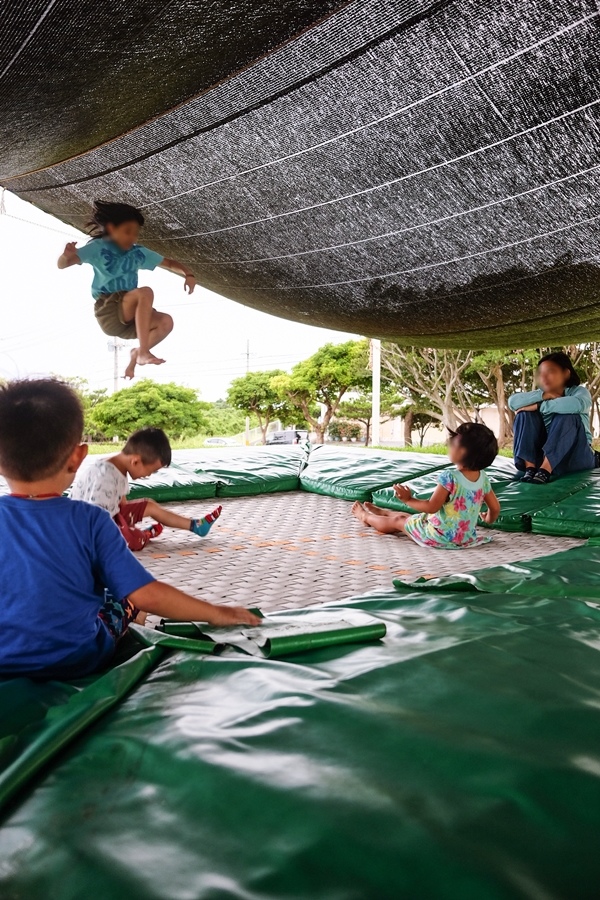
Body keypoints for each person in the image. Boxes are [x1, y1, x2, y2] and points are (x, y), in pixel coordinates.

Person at [0, 380, 260, 679]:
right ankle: (131, 670)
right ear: (77, 456)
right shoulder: (91, 521)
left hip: (5, 661)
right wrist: (217, 613)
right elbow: (145, 594)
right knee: (127, 602)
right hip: (75, 657)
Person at [57, 200, 196, 379]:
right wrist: (65, 255)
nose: (132, 238)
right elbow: (63, 265)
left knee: (166, 322)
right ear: (112, 229)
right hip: (108, 310)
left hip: (129, 317)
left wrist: (188, 274)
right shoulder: (98, 248)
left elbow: (168, 263)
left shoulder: (138, 252)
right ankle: (144, 352)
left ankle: (136, 356)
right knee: (145, 292)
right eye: (127, 232)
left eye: (135, 234)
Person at [70, 426, 223, 552]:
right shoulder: (105, 478)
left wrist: (127, 522)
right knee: (131, 538)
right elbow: (96, 521)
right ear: (136, 461)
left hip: (106, 517)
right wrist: (128, 533)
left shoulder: (118, 468)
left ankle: (196, 525)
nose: (149, 475)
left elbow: (122, 506)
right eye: (152, 470)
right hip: (86, 530)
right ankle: (144, 535)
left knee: (148, 505)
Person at [352, 422, 501, 549]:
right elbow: (495, 508)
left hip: (437, 537)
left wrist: (408, 499)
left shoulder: (450, 478)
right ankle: (383, 512)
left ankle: (366, 517)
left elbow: (432, 507)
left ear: (463, 452)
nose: (449, 445)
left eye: (453, 443)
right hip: (464, 538)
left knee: (399, 522)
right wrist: (488, 519)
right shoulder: (483, 478)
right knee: (414, 518)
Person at [508, 351, 596, 484]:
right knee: (524, 414)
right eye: (541, 373)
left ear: (566, 373)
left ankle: (545, 471)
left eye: (550, 371)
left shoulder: (579, 392)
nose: (544, 377)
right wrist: (543, 397)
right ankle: (530, 469)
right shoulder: (541, 394)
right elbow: (512, 402)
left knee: (568, 416)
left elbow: (578, 404)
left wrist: (539, 406)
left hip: (576, 457)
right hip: (541, 456)